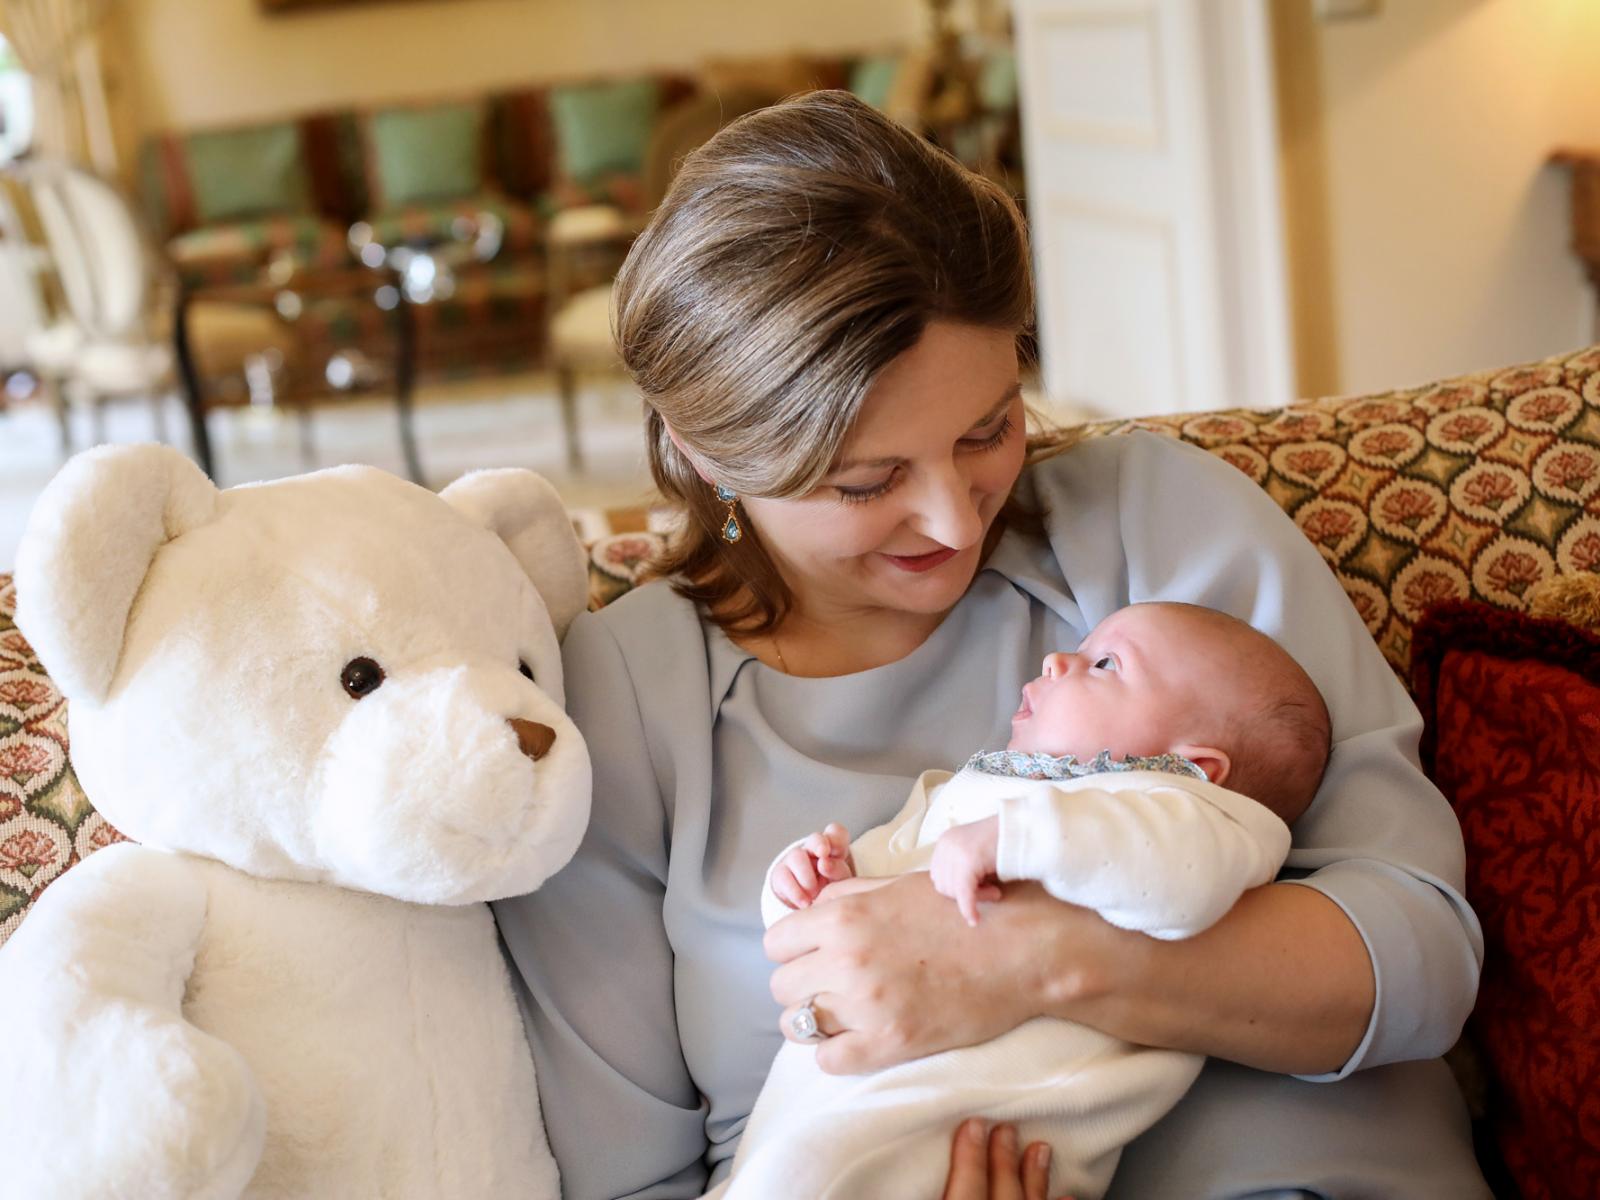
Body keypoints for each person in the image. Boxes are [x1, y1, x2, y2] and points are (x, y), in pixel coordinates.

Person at [492, 90, 1489, 1199]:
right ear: (706, 453)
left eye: (988, 431)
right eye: (865, 482)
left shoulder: (1151, 531)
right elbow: (628, 1178)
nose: (957, 523)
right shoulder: (621, 709)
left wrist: (1028, 959)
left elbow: (1419, 958)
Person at [729, 602, 1330, 1200]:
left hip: (959, 1124)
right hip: (820, 1105)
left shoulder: (1189, 813)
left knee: (800, 1176)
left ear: (1193, 763)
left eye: (1105, 664)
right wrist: (810, 881)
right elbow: (836, 929)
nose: (1057, 659)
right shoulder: (963, 789)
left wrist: (1014, 837)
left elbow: (1186, 884)